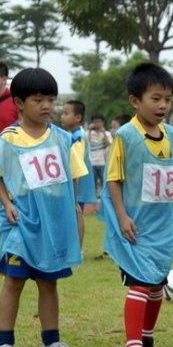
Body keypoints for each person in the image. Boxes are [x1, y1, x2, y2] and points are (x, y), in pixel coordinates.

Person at [0, 68, 86, 347]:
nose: (47, 106)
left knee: (48, 282)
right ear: (19, 102)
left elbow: (74, 177)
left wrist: (74, 209)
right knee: (13, 281)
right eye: (38, 100)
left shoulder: (64, 139)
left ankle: (51, 342)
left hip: (51, 225)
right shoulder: (8, 139)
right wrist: (7, 203)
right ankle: (4, 344)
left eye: (51, 100)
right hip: (20, 224)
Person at [100, 63, 173, 347]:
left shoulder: (171, 135)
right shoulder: (126, 136)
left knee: (156, 284)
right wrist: (122, 216)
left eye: (168, 99)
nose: (163, 105)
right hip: (136, 227)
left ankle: (146, 340)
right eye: (156, 98)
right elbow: (113, 179)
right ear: (135, 101)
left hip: (164, 227)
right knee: (139, 283)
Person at [60, 100, 97, 245]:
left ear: (77, 118)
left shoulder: (78, 137)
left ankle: (78, 248)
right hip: (78, 181)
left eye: (66, 113)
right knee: (76, 212)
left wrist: (74, 183)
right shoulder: (73, 135)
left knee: (77, 212)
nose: (62, 116)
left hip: (78, 181)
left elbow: (77, 162)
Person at [87, 112, 112, 195]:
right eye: (95, 122)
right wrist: (90, 130)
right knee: (92, 185)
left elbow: (108, 144)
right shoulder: (88, 133)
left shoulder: (107, 134)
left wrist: (103, 132)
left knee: (104, 184)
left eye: (99, 122)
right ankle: (93, 203)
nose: (97, 124)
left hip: (102, 162)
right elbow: (86, 143)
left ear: (102, 122)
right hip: (91, 163)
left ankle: (103, 201)